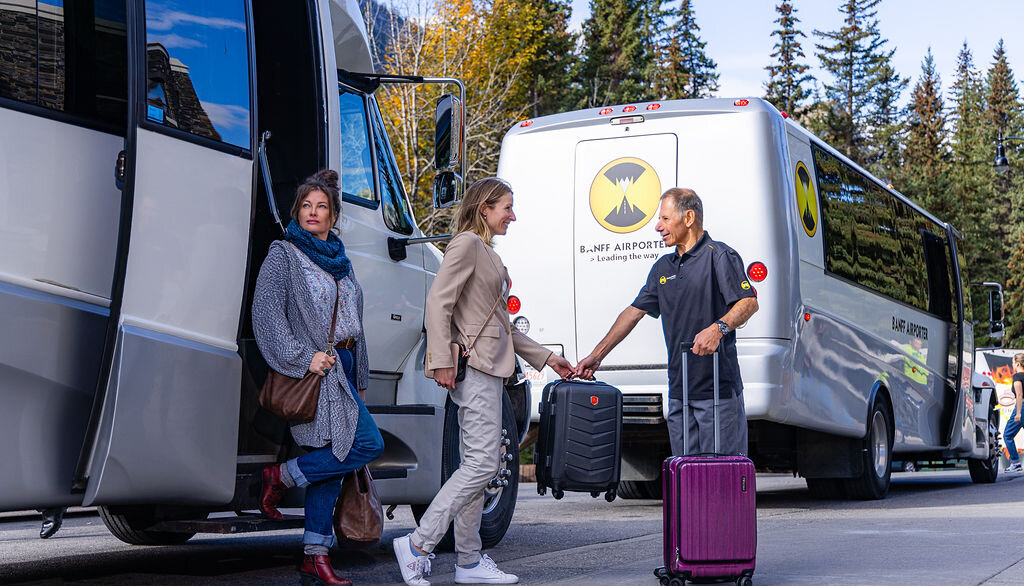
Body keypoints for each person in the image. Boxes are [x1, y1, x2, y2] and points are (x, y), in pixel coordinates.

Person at [394, 177, 575, 586]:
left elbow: (502, 327)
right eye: (507, 207)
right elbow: (438, 302)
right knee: (481, 464)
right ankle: (418, 544)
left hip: (491, 368)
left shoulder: (486, 252)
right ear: (484, 209)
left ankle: (470, 562)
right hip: (473, 368)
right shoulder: (466, 245)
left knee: (478, 465)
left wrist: (547, 358)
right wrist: (441, 359)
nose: (512, 215)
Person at [253, 169, 384, 586]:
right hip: (317, 371)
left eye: (321, 207)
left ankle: (314, 555)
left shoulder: (342, 263)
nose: (313, 213)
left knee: (335, 458)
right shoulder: (283, 254)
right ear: (298, 212)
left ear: (333, 216)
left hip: (344, 370)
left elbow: (354, 322)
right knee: (367, 443)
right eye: (306, 206)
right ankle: (284, 479)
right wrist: (302, 357)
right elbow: (267, 314)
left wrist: (359, 374)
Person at [577, 187, 758, 458]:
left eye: (664, 218)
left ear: (688, 218)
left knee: (720, 480)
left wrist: (717, 328)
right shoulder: (663, 268)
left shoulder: (718, 256)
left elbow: (748, 302)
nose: (657, 226)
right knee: (687, 478)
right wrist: (597, 355)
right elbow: (633, 312)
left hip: (718, 392)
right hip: (680, 393)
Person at [1002, 353, 1024, 472]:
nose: (1012, 366)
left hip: (1023, 407)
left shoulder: (1017, 377)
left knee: (1007, 435)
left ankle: (1015, 462)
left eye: (1013, 363)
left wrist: (1019, 413)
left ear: (1018, 363)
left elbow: (1019, 395)